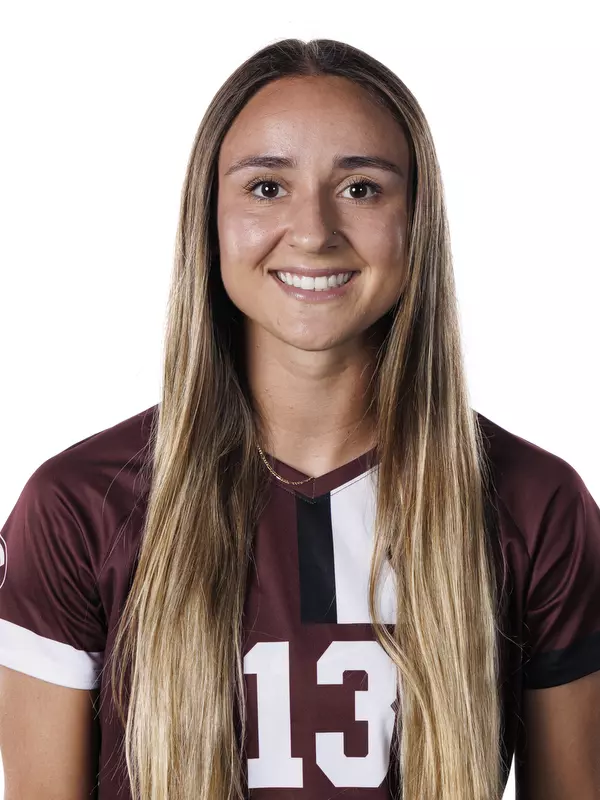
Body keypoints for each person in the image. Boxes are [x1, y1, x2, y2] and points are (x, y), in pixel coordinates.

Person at [1, 37, 599, 800]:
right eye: (265, 187)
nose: (313, 230)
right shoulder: (79, 507)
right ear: (208, 219)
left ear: (417, 220)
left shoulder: (534, 505)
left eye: (360, 189)